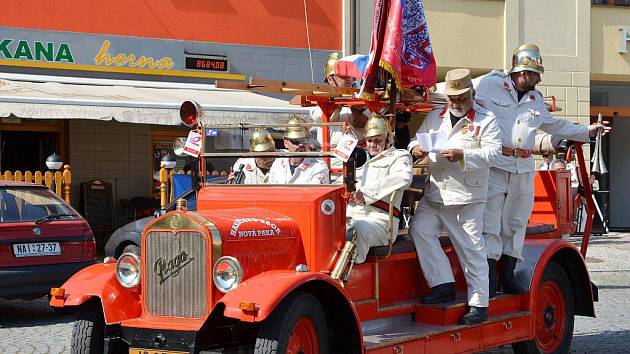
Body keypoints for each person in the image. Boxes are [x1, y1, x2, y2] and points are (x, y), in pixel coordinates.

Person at [475, 43, 611, 296]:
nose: (538, 79)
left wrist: (586, 131)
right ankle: (489, 278)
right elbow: (457, 91)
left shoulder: (535, 99)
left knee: (516, 222)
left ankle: (508, 274)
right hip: (495, 164)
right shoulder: (489, 83)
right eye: (536, 74)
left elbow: (553, 125)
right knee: (489, 220)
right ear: (522, 72)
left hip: (523, 166)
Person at [408, 68, 501, 325]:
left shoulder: (486, 118)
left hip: (467, 196)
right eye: (452, 98)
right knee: (420, 230)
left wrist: (464, 155)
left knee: (471, 249)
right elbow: (418, 140)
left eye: (461, 98)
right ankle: (442, 284)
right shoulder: (436, 116)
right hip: (436, 191)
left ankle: (479, 304)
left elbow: (494, 154)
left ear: (471, 93)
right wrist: (415, 148)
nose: (456, 103)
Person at [347, 113, 413, 264]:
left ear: (389, 139)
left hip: (382, 222)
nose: (372, 145)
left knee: (358, 231)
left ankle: (350, 275)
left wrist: (366, 194)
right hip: (352, 215)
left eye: (378, 140)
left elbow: (404, 178)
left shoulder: (399, 156)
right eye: (369, 140)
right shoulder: (360, 158)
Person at [310, 52, 370, 169]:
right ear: (330, 79)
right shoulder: (318, 98)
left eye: (349, 75)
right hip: (332, 161)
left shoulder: (359, 95)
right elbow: (323, 115)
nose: (349, 79)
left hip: (360, 160)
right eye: (343, 75)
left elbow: (365, 121)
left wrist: (353, 106)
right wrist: (344, 104)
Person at [268, 115, 330, 184]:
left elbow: (316, 193)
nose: (301, 144)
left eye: (304, 140)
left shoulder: (318, 166)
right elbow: (270, 190)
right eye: (296, 141)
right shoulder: (278, 164)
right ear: (286, 143)